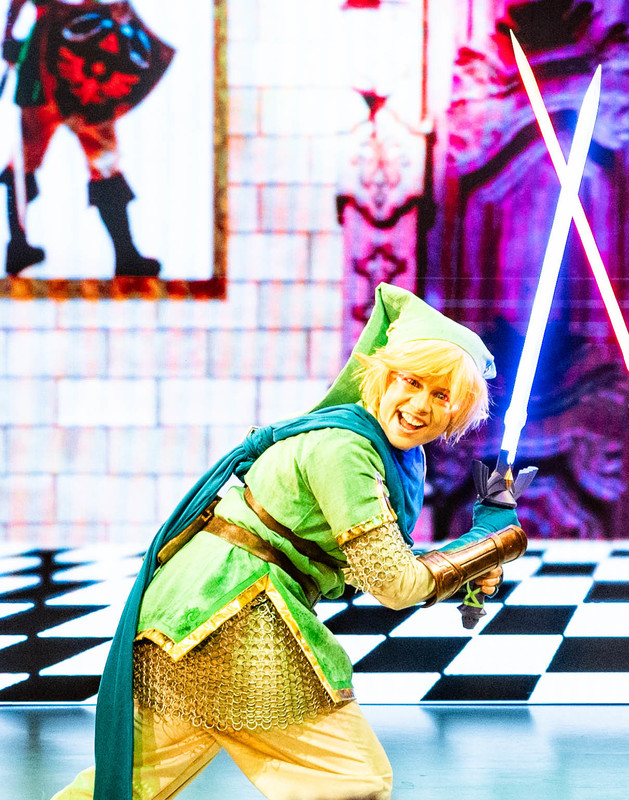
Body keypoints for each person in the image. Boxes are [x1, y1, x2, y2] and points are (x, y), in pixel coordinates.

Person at [54, 283, 530, 800]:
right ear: (382, 375)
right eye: (411, 381)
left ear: (459, 411)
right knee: (352, 783)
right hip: (235, 614)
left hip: (187, 612)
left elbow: (372, 561)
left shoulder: (378, 449)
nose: (420, 405)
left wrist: (473, 558)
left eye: (441, 395)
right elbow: (393, 584)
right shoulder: (346, 450)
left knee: (125, 788)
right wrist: (489, 540)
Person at [3, 0, 173, 276]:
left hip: (82, 56)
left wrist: (9, 37)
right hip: (63, 60)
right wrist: (9, 36)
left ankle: (125, 254)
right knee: (32, 159)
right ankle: (19, 246)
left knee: (96, 159)